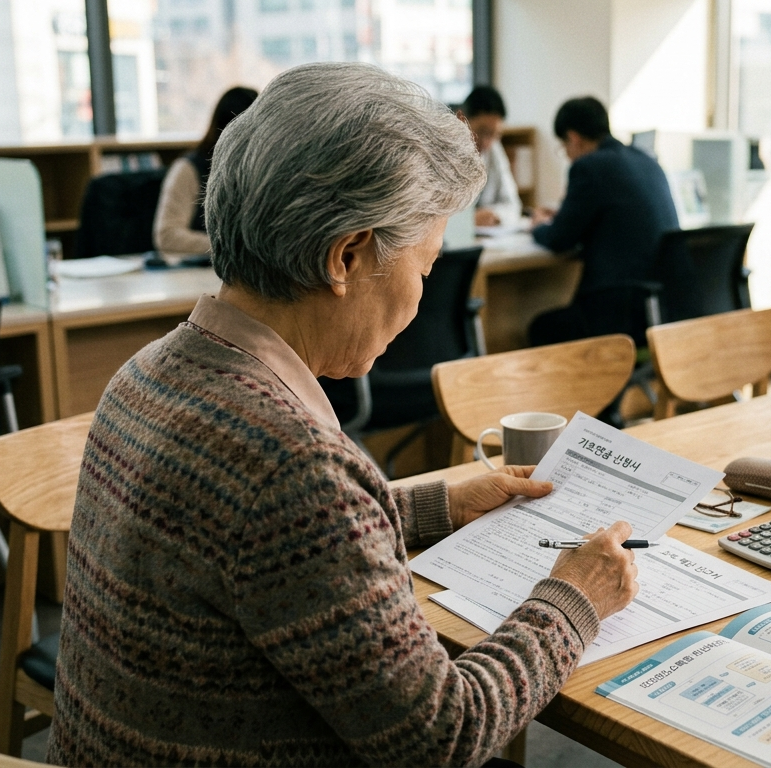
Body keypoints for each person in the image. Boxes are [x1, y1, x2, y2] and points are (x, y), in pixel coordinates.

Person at [48, 63, 639, 768]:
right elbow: (444, 735)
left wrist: (427, 506)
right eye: (423, 266)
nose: (421, 297)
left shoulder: (146, 372)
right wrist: (576, 595)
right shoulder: (292, 465)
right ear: (346, 256)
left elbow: (256, 549)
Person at [529, 96, 679, 347]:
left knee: (542, 329)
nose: (566, 154)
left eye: (563, 146)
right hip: (661, 309)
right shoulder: (647, 161)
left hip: (617, 314)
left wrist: (537, 228)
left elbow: (559, 239)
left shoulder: (589, 166)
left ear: (573, 138)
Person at [152, 86, 258, 255]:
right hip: (199, 271)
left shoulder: (258, 169)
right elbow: (167, 236)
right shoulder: (188, 169)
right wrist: (230, 249)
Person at [456, 85, 522, 228]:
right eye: (481, 131)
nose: (486, 143)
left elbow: (513, 205)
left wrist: (495, 215)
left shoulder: (494, 148)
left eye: (494, 134)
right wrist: (468, 220)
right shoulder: (440, 152)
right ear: (461, 118)